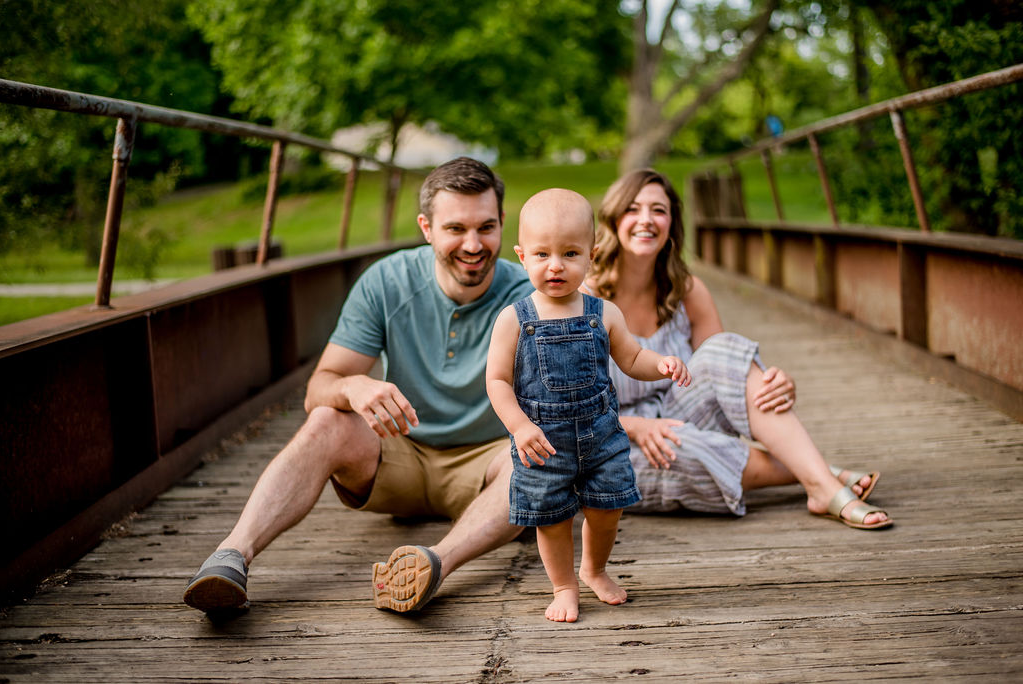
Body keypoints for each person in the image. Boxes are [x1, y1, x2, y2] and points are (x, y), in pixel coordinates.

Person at [183, 157, 535, 616]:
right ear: (426, 227)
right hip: (399, 454)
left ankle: (430, 567)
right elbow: (319, 388)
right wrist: (354, 388)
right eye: (455, 229)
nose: (473, 244)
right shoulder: (386, 281)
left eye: (486, 227)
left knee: (532, 466)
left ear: (503, 222)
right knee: (328, 418)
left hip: (486, 462)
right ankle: (230, 556)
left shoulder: (531, 294)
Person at [586, 169, 892, 530]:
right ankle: (818, 474)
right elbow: (563, 408)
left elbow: (722, 375)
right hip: (609, 443)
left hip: (678, 413)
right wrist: (634, 426)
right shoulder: (586, 299)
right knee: (683, 445)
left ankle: (821, 485)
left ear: (672, 222)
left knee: (725, 348)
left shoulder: (686, 290)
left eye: (659, 210)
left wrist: (771, 381)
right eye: (633, 209)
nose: (646, 220)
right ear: (613, 218)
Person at [486, 189, 690, 623]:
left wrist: (663, 364)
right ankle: (563, 585)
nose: (555, 265)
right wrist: (520, 426)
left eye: (570, 253)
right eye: (542, 254)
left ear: (592, 256)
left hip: (602, 436)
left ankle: (594, 569)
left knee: (607, 506)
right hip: (543, 441)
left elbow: (633, 359)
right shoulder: (514, 319)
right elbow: (498, 381)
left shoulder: (604, 313)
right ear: (522, 256)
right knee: (552, 517)